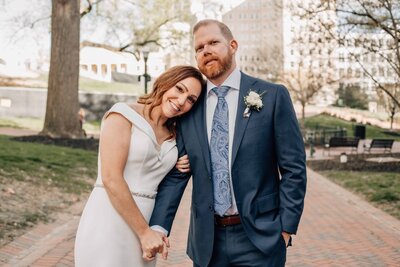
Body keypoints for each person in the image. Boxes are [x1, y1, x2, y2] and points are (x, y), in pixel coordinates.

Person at [150, 19, 307, 266]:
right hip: (207, 243)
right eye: (199, 48)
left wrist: (285, 228)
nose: (206, 50)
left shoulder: (273, 96)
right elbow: (179, 173)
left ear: (233, 45)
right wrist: (158, 226)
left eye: (213, 42)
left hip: (261, 238)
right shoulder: (190, 106)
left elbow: (294, 168)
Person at [74, 65, 205, 267]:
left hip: (147, 222)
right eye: (179, 89)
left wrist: (175, 166)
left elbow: (159, 175)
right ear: (166, 83)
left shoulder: (177, 135)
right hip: (109, 217)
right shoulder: (122, 115)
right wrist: (144, 232)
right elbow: (111, 177)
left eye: (190, 100)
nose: (181, 101)